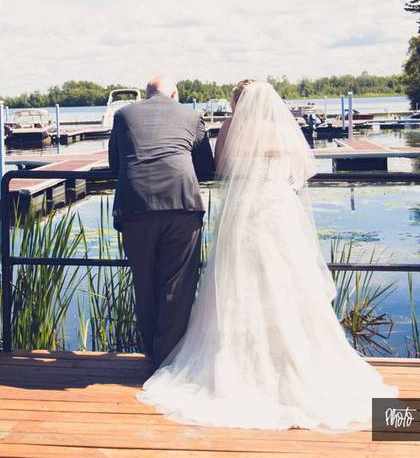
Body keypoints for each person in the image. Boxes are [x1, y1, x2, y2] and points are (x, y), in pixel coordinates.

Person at [138, 79, 398, 430]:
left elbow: (220, 166)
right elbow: (299, 170)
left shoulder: (232, 126)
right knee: (288, 282)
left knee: (240, 284)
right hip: (279, 209)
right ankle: (291, 360)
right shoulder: (282, 127)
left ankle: (243, 364)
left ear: (238, 104)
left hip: (244, 213)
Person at [108, 75, 215, 365]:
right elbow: (206, 167)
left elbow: (114, 164)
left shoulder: (123, 115)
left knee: (144, 283)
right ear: (175, 94)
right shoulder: (192, 116)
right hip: (181, 203)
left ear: (146, 94)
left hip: (136, 205)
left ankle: (152, 354)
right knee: (177, 286)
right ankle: (167, 360)